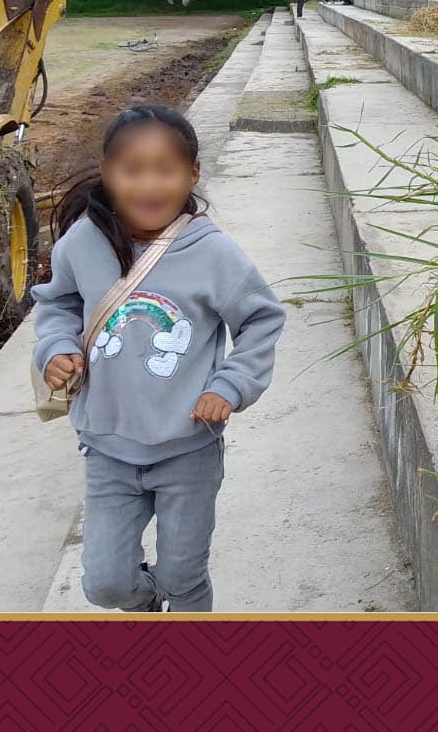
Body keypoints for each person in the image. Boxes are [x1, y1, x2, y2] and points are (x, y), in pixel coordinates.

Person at [33, 105, 285, 612]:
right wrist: (55, 348)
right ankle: (147, 606)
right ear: (107, 173)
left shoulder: (213, 253)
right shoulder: (83, 242)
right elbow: (58, 304)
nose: (149, 185)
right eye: (132, 171)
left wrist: (229, 386)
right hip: (108, 449)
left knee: (183, 576)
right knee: (104, 583)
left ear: (192, 174)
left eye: (165, 171)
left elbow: (261, 320)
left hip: (187, 450)